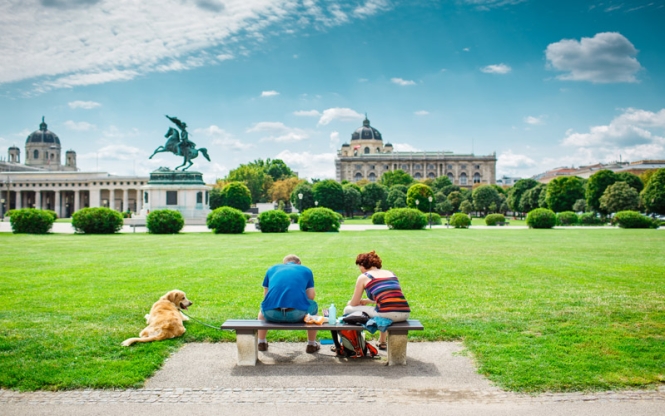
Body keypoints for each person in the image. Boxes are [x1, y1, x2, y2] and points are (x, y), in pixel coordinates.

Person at [344, 250, 410, 350]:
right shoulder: (391, 273)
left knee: (348, 309)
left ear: (362, 265)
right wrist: (368, 301)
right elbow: (390, 298)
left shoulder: (364, 277)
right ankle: (382, 341)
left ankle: (353, 343)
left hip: (387, 314)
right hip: (404, 313)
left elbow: (354, 303)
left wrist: (349, 303)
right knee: (380, 308)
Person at [258, 254, 320, 353]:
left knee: (264, 306)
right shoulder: (306, 270)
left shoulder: (272, 269)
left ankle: (261, 342)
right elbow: (311, 296)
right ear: (299, 263)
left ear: (284, 263)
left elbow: (266, 295)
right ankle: (311, 344)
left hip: (271, 314)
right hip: (296, 314)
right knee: (314, 306)